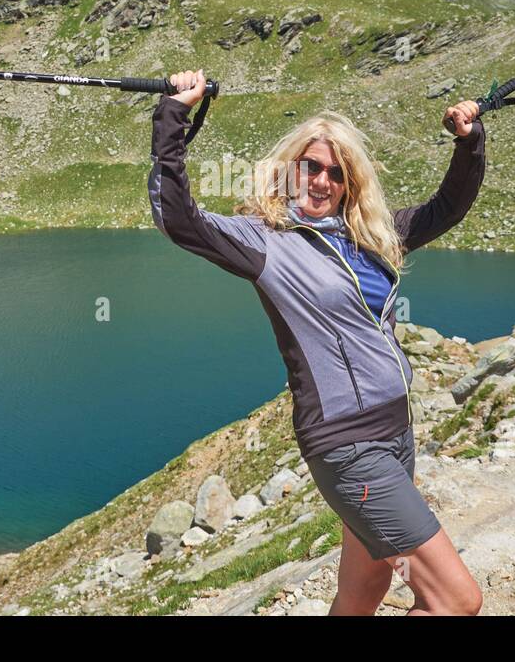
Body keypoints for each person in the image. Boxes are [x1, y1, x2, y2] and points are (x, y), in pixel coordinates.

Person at [147, 69, 486, 616]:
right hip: (350, 450)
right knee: (455, 600)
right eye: (310, 167)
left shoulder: (370, 236)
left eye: (336, 172)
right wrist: (173, 115)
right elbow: (176, 217)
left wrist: (468, 142)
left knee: (363, 590)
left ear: (350, 181)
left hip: (397, 434)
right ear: (288, 171)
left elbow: (446, 208)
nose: (322, 181)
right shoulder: (263, 243)